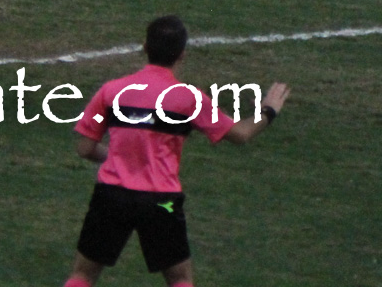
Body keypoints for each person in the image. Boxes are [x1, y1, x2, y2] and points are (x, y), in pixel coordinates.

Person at [60, 15, 289, 287]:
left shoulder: (111, 92)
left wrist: (117, 158)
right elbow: (241, 134)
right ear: (182, 54)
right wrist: (269, 111)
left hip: (111, 197)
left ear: (145, 47)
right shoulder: (188, 99)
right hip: (162, 202)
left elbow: (85, 148)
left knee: (83, 275)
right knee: (180, 279)